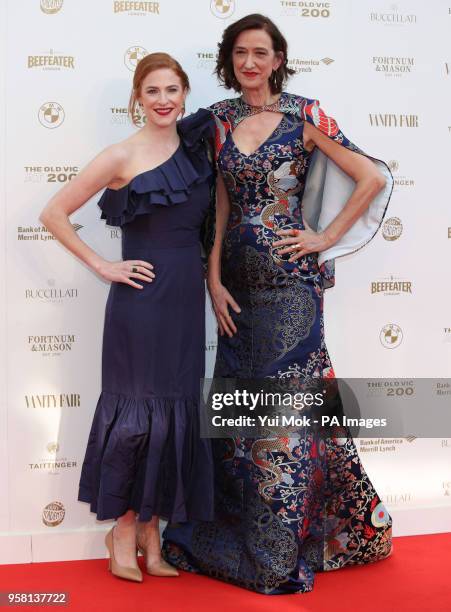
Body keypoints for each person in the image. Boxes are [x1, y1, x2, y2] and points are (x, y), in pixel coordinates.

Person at [162, 14, 393, 594]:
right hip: (237, 289)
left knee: (286, 421)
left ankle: (278, 549)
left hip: (293, 289)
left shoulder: (305, 114)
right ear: (229, 59)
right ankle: (234, 531)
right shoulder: (216, 123)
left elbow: (370, 177)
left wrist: (324, 237)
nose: (250, 64)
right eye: (240, 53)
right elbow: (220, 211)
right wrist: (212, 280)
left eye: (260, 53)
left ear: (278, 58)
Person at [39, 53, 215, 582]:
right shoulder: (120, 154)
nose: (164, 100)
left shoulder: (197, 145)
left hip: (186, 300)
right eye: (153, 91)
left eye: (173, 90)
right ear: (137, 97)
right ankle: (121, 532)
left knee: (176, 411)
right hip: (139, 305)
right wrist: (102, 265)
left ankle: (153, 537)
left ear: (185, 93)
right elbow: (53, 213)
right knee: (138, 414)